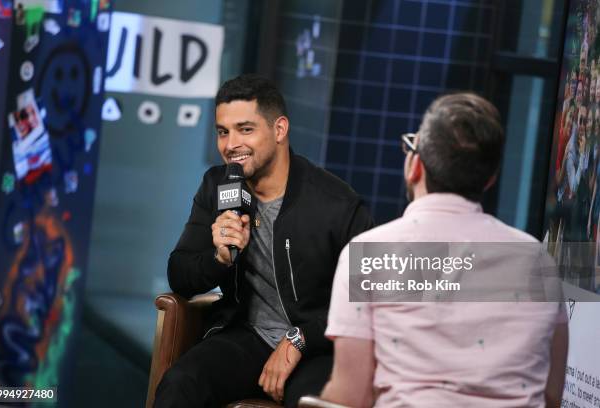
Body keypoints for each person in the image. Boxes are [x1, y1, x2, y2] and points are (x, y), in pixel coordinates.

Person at [320, 93, 569, 407]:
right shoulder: (538, 260)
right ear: (491, 179)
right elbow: (551, 395)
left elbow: (350, 395)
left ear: (415, 166)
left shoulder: (370, 255)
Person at [154, 74, 374, 408]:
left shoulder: (336, 204)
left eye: (245, 129)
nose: (230, 145)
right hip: (246, 335)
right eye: (223, 132)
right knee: (181, 383)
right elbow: (180, 275)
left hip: (315, 345)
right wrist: (218, 260)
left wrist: (299, 339)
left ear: (279, 130)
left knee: (312, 401)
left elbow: (367, 301)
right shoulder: (217, 186)